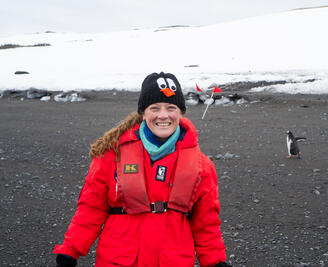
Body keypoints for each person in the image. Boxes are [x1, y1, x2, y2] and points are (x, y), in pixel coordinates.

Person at [53, 72, 231, 267]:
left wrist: (215, 261)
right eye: (155, 108)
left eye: (171, 108)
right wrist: (70, 250)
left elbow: (206, 223)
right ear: (143, 113)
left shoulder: (202, 166)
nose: (163, 115)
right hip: (118, 260)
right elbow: (91, 208)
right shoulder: (111, 155)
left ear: (180, 113)